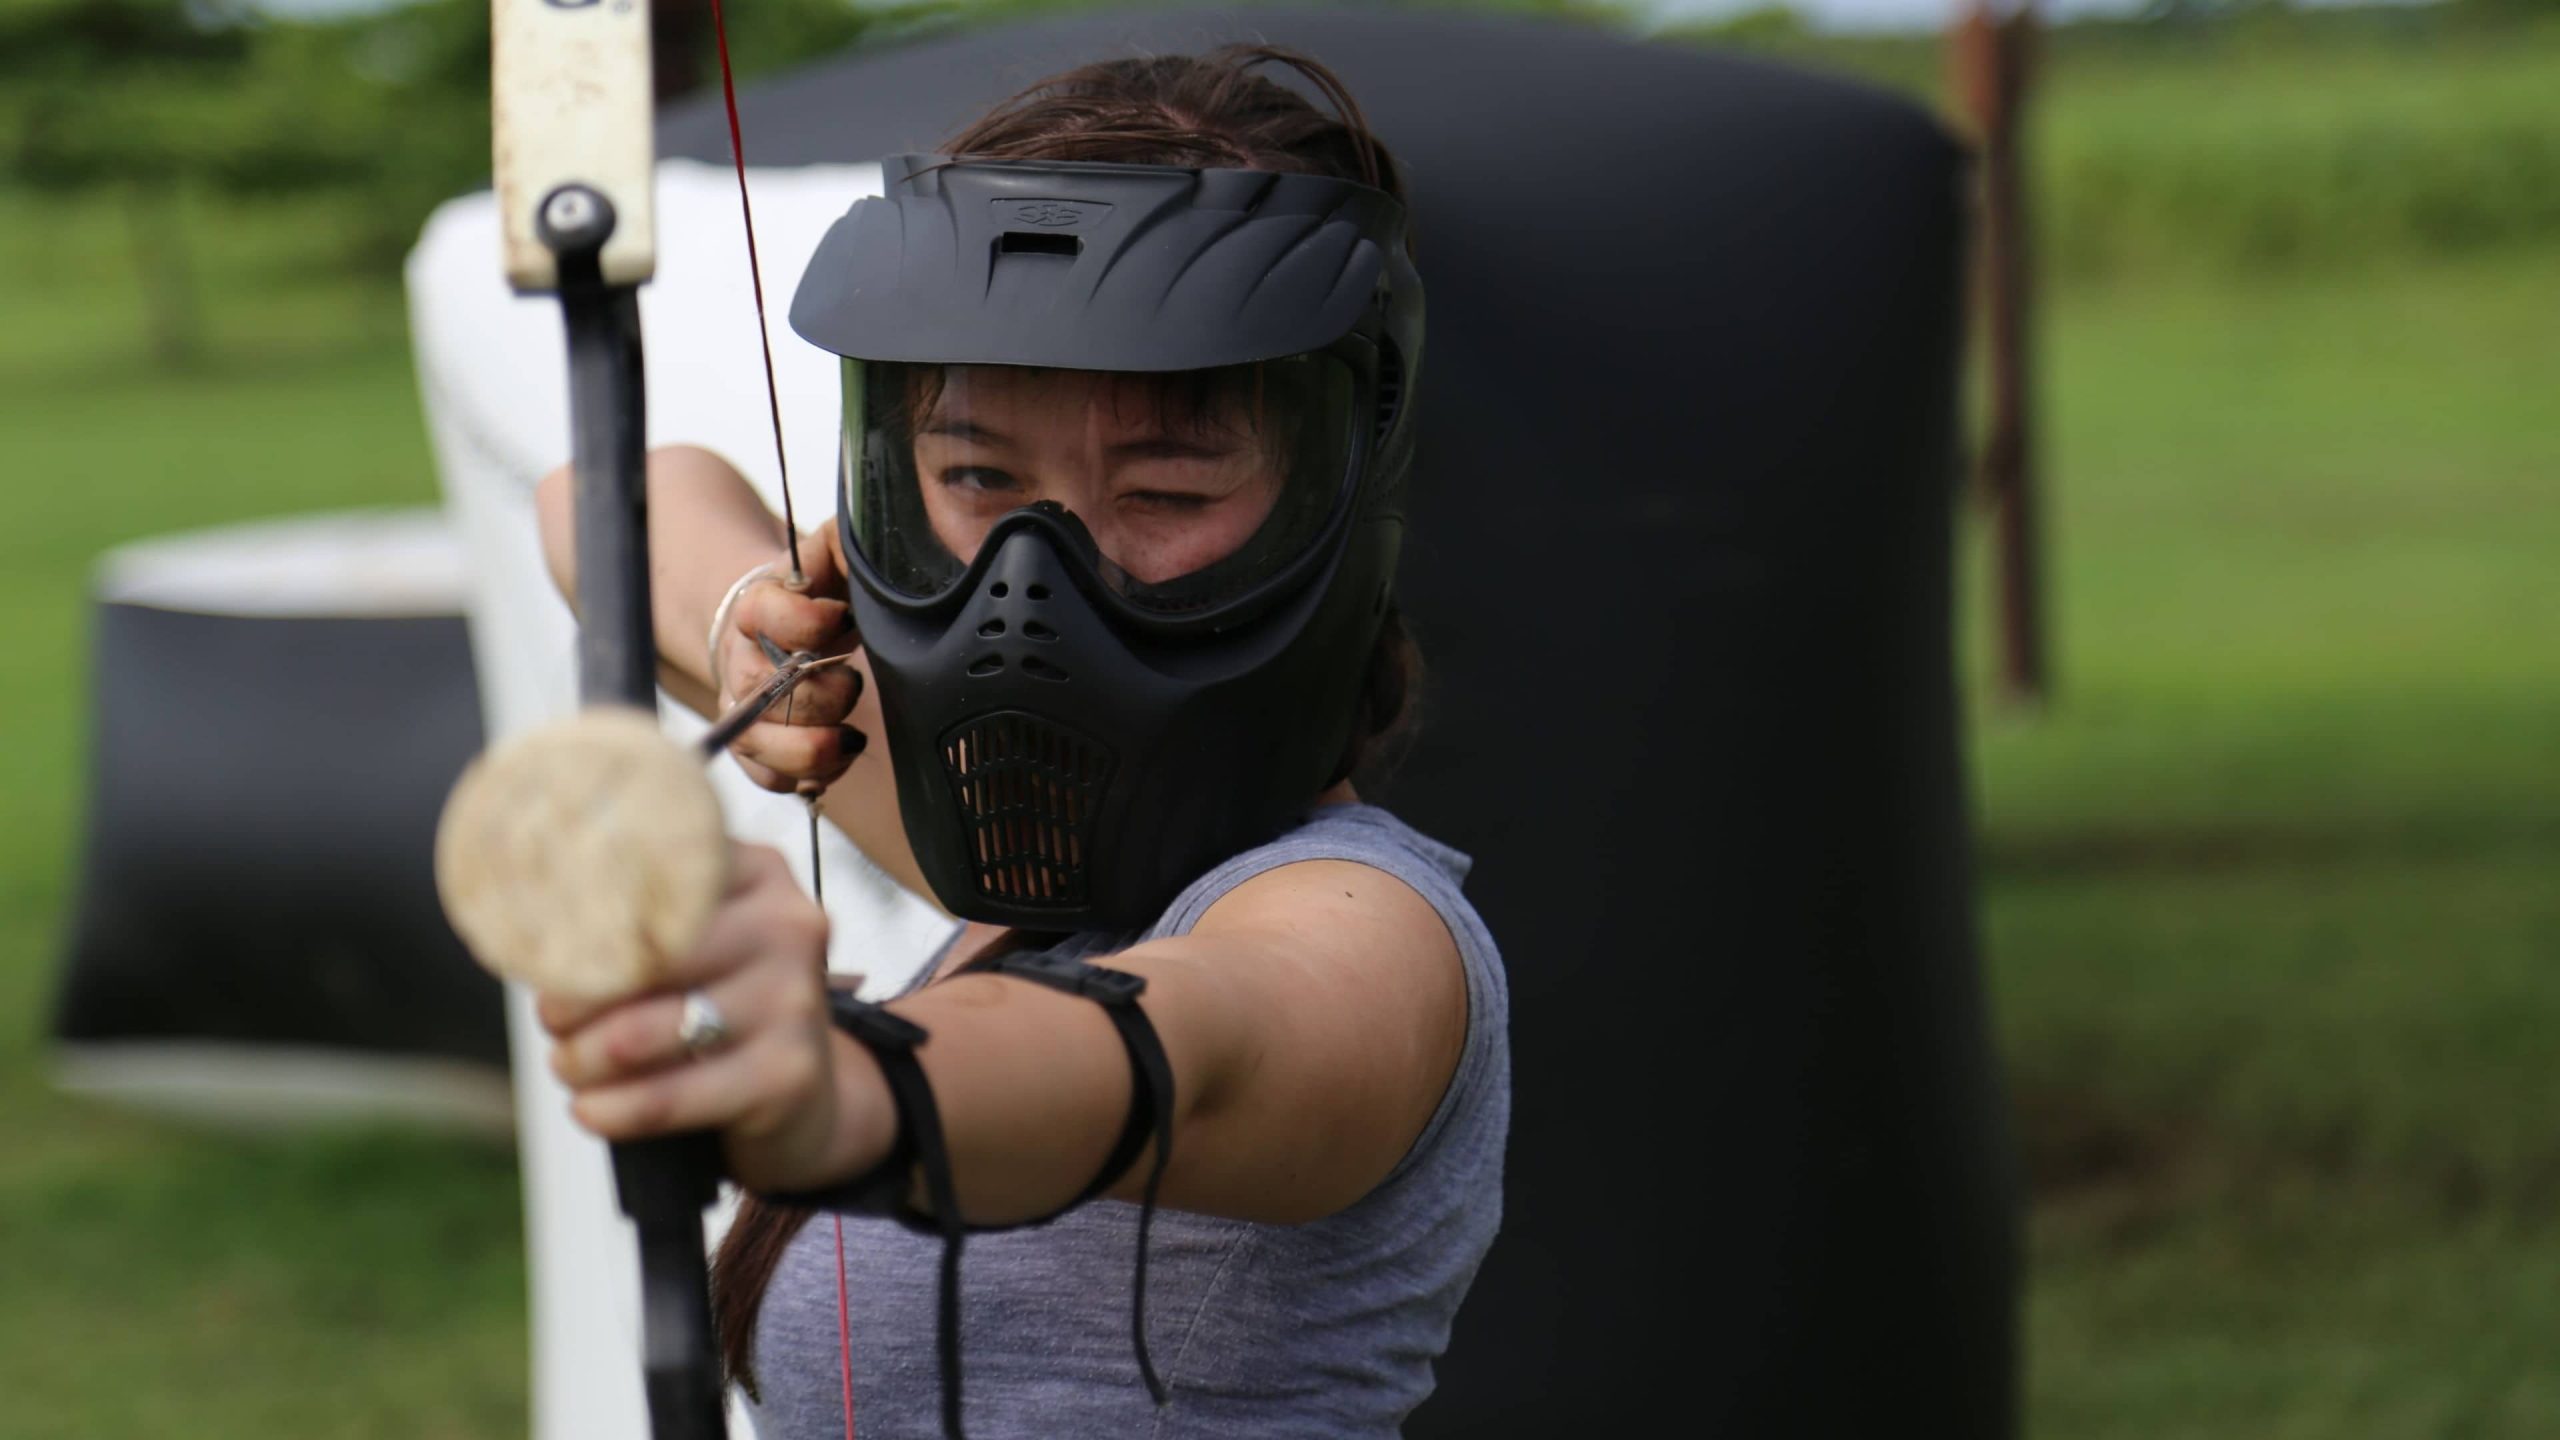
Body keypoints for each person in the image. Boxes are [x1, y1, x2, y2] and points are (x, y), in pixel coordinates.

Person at [529, 47, 1506, 1439]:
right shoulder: (1013, 863)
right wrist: (754, 616)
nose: (1038, 582)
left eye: (1166, 483)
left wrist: (846, 1085)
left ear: (1340, 483)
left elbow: (1177, 1044)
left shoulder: (1370, 932)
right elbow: (600, 501)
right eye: (980, 476)